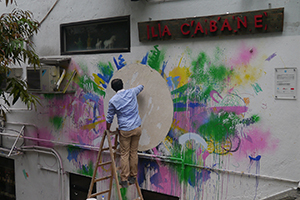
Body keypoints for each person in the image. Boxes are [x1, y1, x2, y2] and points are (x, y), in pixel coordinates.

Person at [106, 78, 144, 188]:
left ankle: (124, 178)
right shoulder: (132, 92)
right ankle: (133, 176)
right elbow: (141, 87)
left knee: (125, 154)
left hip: (125, 130)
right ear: (123, 84)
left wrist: (108, 130)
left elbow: (109, 118)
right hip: (137, 127)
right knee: (133, 152)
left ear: (113, 89)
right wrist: (141, 84)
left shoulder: (113, 101)